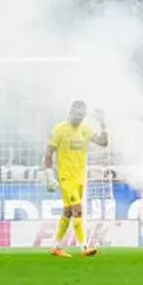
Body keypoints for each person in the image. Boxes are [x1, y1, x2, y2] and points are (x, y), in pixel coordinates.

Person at [43, 100, 108, 258]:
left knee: (68, 212)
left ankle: (55, 246)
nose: (79, 118)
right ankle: (84, 246)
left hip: (80, 178)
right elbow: (48, 153)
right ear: (70, 112)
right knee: (78, 209)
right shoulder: (60, 130)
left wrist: (103, 123)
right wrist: (49, 175)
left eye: (82, 116)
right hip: (66, 178)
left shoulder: (85, 130)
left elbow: (103, 142)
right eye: (77, 114)